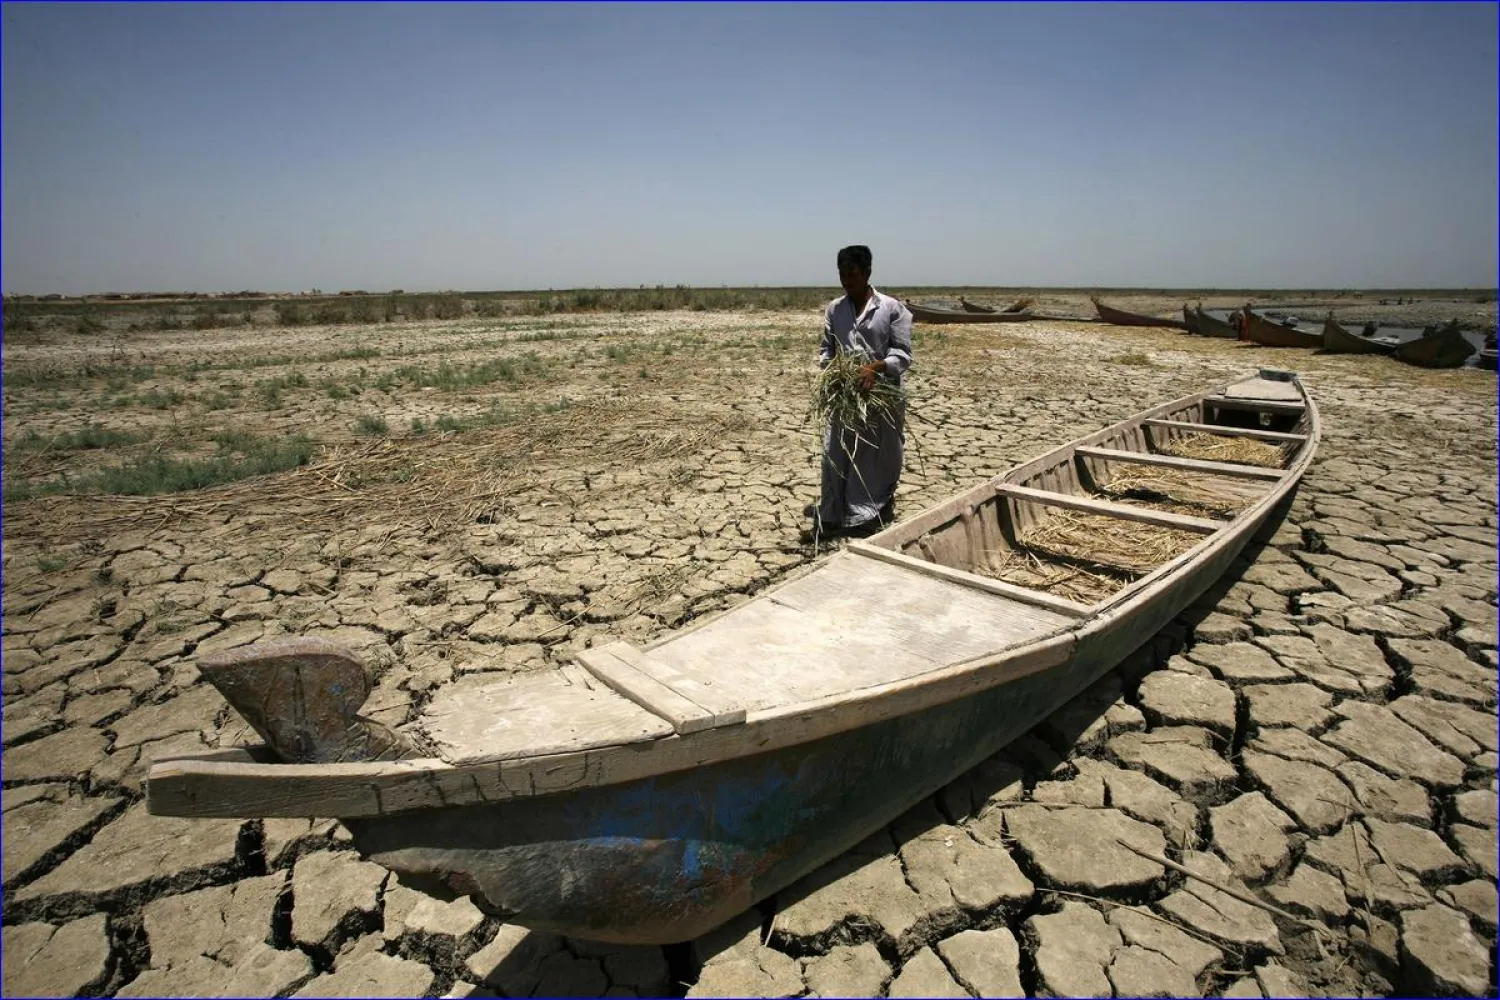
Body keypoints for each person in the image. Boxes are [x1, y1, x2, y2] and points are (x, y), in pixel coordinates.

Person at [808, 245, 913, 539]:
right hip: (845, 395)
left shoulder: (892, 309)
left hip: (881, 396)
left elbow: (903, 354)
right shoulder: (835, 309)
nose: (847, 281)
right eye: (842, 274)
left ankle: (870, 512)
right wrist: (834, 371)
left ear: (867, 273)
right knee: (836, 451)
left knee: (875, 455)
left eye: (852, 274)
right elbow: (826, 350)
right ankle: (831, 514)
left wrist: (876, 367)